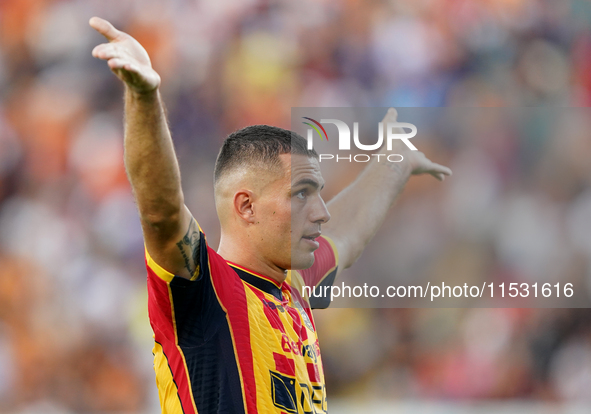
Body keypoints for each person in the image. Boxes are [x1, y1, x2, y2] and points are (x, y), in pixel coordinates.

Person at [89, 16, 451, 414]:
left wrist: (393, 164)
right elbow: (161, 211)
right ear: (245, 206)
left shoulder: (292, 286)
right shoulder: (206, 291)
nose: (322, 212)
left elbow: (346, 237)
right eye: (301, 195)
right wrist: (144, 99)